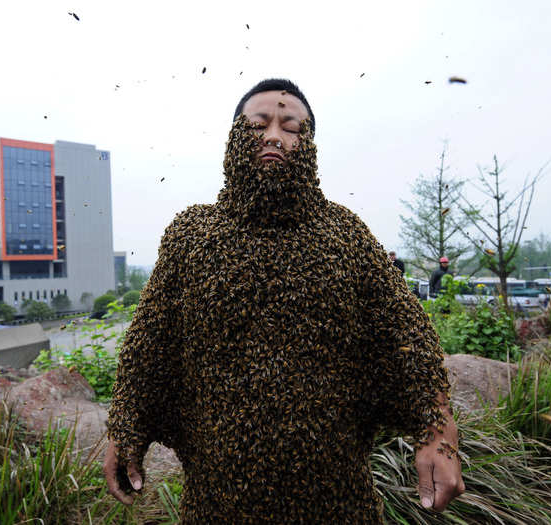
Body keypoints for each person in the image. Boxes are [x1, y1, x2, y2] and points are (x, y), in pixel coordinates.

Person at [104, 79, 464, 524]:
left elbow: (407, 342)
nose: (274, 135)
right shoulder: (190, 236)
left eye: (291, 127)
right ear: (235, 137)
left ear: (308, 144)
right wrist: (126, 428)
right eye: (258, 124)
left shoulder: (346, 235)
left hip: (338, 504)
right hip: (216, 505)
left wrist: (439, 434)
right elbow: (148, 345)